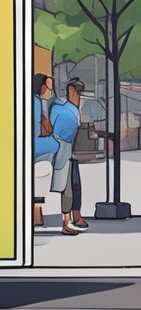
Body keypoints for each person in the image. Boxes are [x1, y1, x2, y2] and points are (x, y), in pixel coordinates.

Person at [50, 78, 89, 235]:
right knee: (67, 188)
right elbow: (58, 131)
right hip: (63, 151)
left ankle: (75, 217)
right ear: (71, 92)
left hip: (69, 152)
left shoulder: (71, 108)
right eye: (77, 93)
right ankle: (67, 222)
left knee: (75, 185)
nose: (79, 96)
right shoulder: (64, 109)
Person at [32, 74, 59, 162]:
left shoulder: (37, 101)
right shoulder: (36, 102)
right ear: (42, 88)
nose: (51, 92)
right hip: (33, 145)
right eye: (50, 89)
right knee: (57, 145)